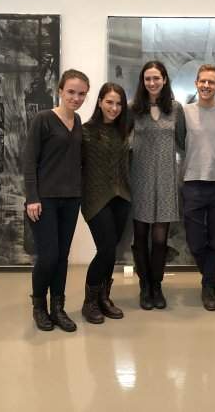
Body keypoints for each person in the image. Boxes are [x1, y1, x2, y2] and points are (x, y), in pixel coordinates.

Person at [24, 69, 90, 332]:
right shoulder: (43, 119)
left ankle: (58, 308)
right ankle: (39, 307)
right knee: (48, 256)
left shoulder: (79, 123)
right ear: (60, 90)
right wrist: (32, 198)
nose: (76, 97)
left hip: (71, 199)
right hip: (44, 201)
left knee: (62, 256)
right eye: (71, 91)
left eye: (81, 93)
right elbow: (29, 161)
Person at [129, 60, 186, 310]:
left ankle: (157, 285)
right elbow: (123, 142)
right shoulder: (133, 109)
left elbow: (183, 143)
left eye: (156, 78)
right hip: (139, 177)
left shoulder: (175, 108)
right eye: (147, 78)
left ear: (164, 80)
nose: (152, 83)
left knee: (160, 239)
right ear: (143, 82)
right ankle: (144, 287)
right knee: (140, 236)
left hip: (165, 178)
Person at [182, 64, 215, 311]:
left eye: (211, 82)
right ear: (196, 83)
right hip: (192, 182)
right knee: (195, 242)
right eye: (202, 81)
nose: (206, 86)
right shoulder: (185, 112)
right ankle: (212, 279)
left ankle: (207, 287)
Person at [80, 83, 131, 324]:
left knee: (112, 252)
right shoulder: (85, 131)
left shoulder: (124, 131)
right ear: (100, 101)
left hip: (121, 198)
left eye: (119, 103)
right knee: (106, 249)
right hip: (95, 199)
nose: (114, 107)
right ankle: (89, 302)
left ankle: (104, 297)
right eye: (109, 102)